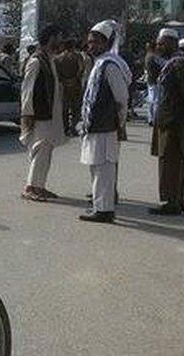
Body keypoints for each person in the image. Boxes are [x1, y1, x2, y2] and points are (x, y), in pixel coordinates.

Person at [78, 21, 131, 223]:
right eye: (89, 41)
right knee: (96, 167)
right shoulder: (99, 64)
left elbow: (121, 99)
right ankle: (100, 206)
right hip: (95, 125)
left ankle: (104, 210)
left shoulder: (110, 65)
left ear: (105, 43)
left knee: (104, 170)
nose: (90, 45)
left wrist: (120, 124)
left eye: (95, 42)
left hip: (106, 126)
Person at [149, 28, 184, 215]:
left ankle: (173, 202)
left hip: (174, 123)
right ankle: (178, 199)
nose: (158, 46)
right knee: (176, 162)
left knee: (171, 163)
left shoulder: (178, 65)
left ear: (172, 43)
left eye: (162, 43)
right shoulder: (172, 64)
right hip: (171, 121)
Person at [19, 24, 66, 202]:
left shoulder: (49, 60)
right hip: (39, 115)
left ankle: (40, 186)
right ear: (50, 38)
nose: (60, 41)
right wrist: (28, 116)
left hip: (50, 114)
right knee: (39, 149)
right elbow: (27, 91)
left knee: (46, 150)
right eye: (57, 37)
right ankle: (30, 187)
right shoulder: (36, 61)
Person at [54, 38, 86, 136]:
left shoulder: (58, 58)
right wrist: (75, 79)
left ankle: (65, 128)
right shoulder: (78, 56)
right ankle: (74, 128)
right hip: (75, 85)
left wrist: (64, 80)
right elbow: (81, 69)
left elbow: (57, 73)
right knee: (76, 108)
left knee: (64, 108)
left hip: (63, 85)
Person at [144, 40, 164, 126]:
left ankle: (150, 118)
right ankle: (155, 119)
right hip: (156, 81)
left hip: (150, 80)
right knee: (156, 101)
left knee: (151, 101)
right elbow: (163, 64)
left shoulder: (147, 56)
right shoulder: (154, 57)